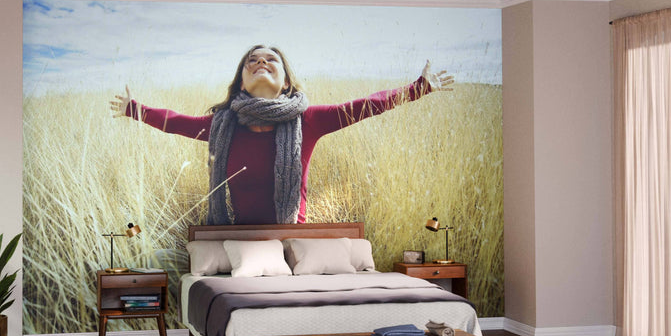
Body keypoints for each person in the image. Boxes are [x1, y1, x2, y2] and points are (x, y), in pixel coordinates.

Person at [110, 44, 454, 225]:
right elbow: (175, 120)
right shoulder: (221, 125)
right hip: (238, 240)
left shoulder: (310, 120)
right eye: (252, 61)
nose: (261, 62)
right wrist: (133, 108)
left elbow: (366, 106)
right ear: (242, 81)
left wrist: (418, 88)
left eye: (270, 59)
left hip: (293, 238)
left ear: (285, 81)